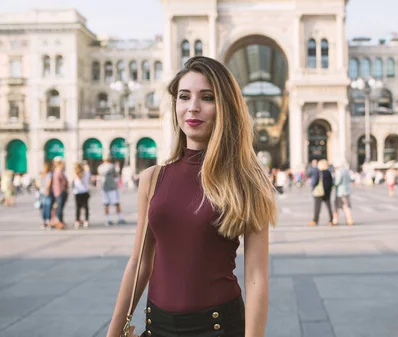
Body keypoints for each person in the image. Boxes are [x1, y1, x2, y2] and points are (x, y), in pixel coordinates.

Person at [106, 56, 277, 337]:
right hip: (156, 328)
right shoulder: (152, 178)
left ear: (225, 107)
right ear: (175, 105)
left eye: (207, 97)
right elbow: (139, 262)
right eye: (184, 96)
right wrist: (113, 332)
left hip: (219, 328)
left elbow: (256, 276)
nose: (193, 107)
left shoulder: (247, 180)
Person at [97, 157, 125, 226]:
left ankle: (108, 219)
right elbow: (115, 175)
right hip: (112, 186)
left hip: (104, 187)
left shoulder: (100, 167)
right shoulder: (112, 166)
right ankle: (120, 218)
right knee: (116, 203)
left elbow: (100, 175)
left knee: (106, 204)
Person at [309, 159, 334, 226]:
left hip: (319, 192)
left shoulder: (319, 172)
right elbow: (331, 183)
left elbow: (315, 182)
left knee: (317, 207)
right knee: (329, 207)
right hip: (327, 192)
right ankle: (331, 220)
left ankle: (315, 220)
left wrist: (313, 188)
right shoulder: (329, 172)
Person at [51, 157, 69, 229]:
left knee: (59, 207)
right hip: (60, 192)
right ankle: (59, 222)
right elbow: (63, 181)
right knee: (59, 208)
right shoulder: (59, 170)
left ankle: (60, 221)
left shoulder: (57, 170)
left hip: (58, 191)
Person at [73, 162, 91, 229]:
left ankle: (77, 220)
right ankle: (86, 220)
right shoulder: (86, 173)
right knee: (86, 207)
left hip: (77, 192)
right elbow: (89, 175)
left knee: (78, 207)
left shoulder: (75, 173)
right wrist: (86, 166)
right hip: (85, 191)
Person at [39, 163, 54, 229]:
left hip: (42, 192)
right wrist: (47, 190)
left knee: (43, 207)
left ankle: (43, 222)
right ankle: (48, 221)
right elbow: (49, 183)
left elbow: (39, 183)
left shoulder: (42, 174)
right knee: (48, 207)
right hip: (47, 192)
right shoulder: (49, 174)